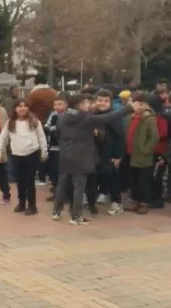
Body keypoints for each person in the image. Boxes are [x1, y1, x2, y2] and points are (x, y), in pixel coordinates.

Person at [52, 94, 132, 225]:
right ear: (79, 104)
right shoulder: (86, 118)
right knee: (79, 187)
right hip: (82, 156)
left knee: (62, 183)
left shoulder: (62, 117)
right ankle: (76, 216)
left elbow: (58, 135)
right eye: (85, 103)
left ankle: (56, 211)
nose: (88, 105)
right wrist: (129, 108)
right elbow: (109, 117)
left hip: (65, 155)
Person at [0, 99, 48, 215]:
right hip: (16, 156)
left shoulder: (35, 121)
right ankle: (21, 203)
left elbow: (41, 137)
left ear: (28, 108)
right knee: (20, 181)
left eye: (25, 106)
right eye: (19, 106)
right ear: (15, 109)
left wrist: (44, 152)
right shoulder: (10, 123)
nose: (22, 108)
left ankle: (32, 205)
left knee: (29, 180)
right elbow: (3, 138)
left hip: (31, 154)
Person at [122, 92, 159, 215]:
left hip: (143, 156)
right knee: (133, 181)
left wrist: (145, 149)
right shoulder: (128, 118)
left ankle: (144, 203)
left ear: (146, 105)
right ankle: (135, 201)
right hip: (129, 154)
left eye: (141, 104)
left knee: (143, 181)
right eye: (135, 103)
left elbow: (154, 137)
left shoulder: (149, 119)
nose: (138, 107)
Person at [91, 89, 126, 216]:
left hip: (110, 153)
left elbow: (120, 136)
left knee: (113, 178)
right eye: (100, 100)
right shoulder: (93, 115)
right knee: (101, 176)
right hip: (96, 153)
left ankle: (117, 203)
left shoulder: (113, 117)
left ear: (111, 103)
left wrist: (118, 155)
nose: (102, 103)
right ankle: (103, 193)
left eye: (106, 101)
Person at [44, 94, 68, 201]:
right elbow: (47, 126)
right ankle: (56, 192)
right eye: (55, 105)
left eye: (60, 104)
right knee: (53, 170)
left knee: (62, 171)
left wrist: (54, 129)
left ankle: (65, 194)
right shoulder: (53, 115)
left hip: (63, 148)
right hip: (52, 146)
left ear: (66, 104)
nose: (57, 107)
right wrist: (52, 129)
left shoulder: (69, 115)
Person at [148, 94, 170, 209]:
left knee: (156, 177)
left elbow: (162, 134)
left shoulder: (161, 119)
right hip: (151, 151)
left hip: (159, 152)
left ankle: (157, 199)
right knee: (152, 176)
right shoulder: (158, 117)